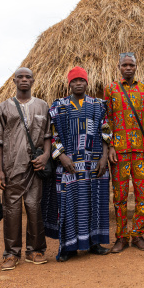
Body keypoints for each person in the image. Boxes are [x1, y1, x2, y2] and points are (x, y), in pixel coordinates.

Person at [44, 66, 112, 262]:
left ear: (87, 82)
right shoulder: (58, 106)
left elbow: (106, 133)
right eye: (74, 81)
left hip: (93, 165)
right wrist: (61, 156)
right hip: (68, 165)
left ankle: (95, 243)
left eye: (81, 80)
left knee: (94, 202)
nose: (78, 83)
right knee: (68, 204)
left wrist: (104, 158)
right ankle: (69, 247)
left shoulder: (98, 105)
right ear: (69, 84)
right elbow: (52, 135)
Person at [0, 68, 51, 271]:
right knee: (12, 210)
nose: (24, 80)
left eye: (28, 77)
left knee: (35, 208)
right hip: (11, 167)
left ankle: (35, 250)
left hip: (35, 167)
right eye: (21, 77)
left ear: (33, 81)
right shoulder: (3, 108)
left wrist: (45, 156)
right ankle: (11, 253)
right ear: (15, 80)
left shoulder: (43, 106)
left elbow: (47, 136)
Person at [104, 52, 144, 253]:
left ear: (136, 66)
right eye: (124, 65)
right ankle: (121, 237)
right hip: (119, 152)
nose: (128, 68)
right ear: (119, 67)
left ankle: (138, 235)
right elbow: (106, 121)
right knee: (119, 196)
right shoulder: (111, 90)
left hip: (142, 152)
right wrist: (110, 147)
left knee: (143, 195)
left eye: (131, 65)